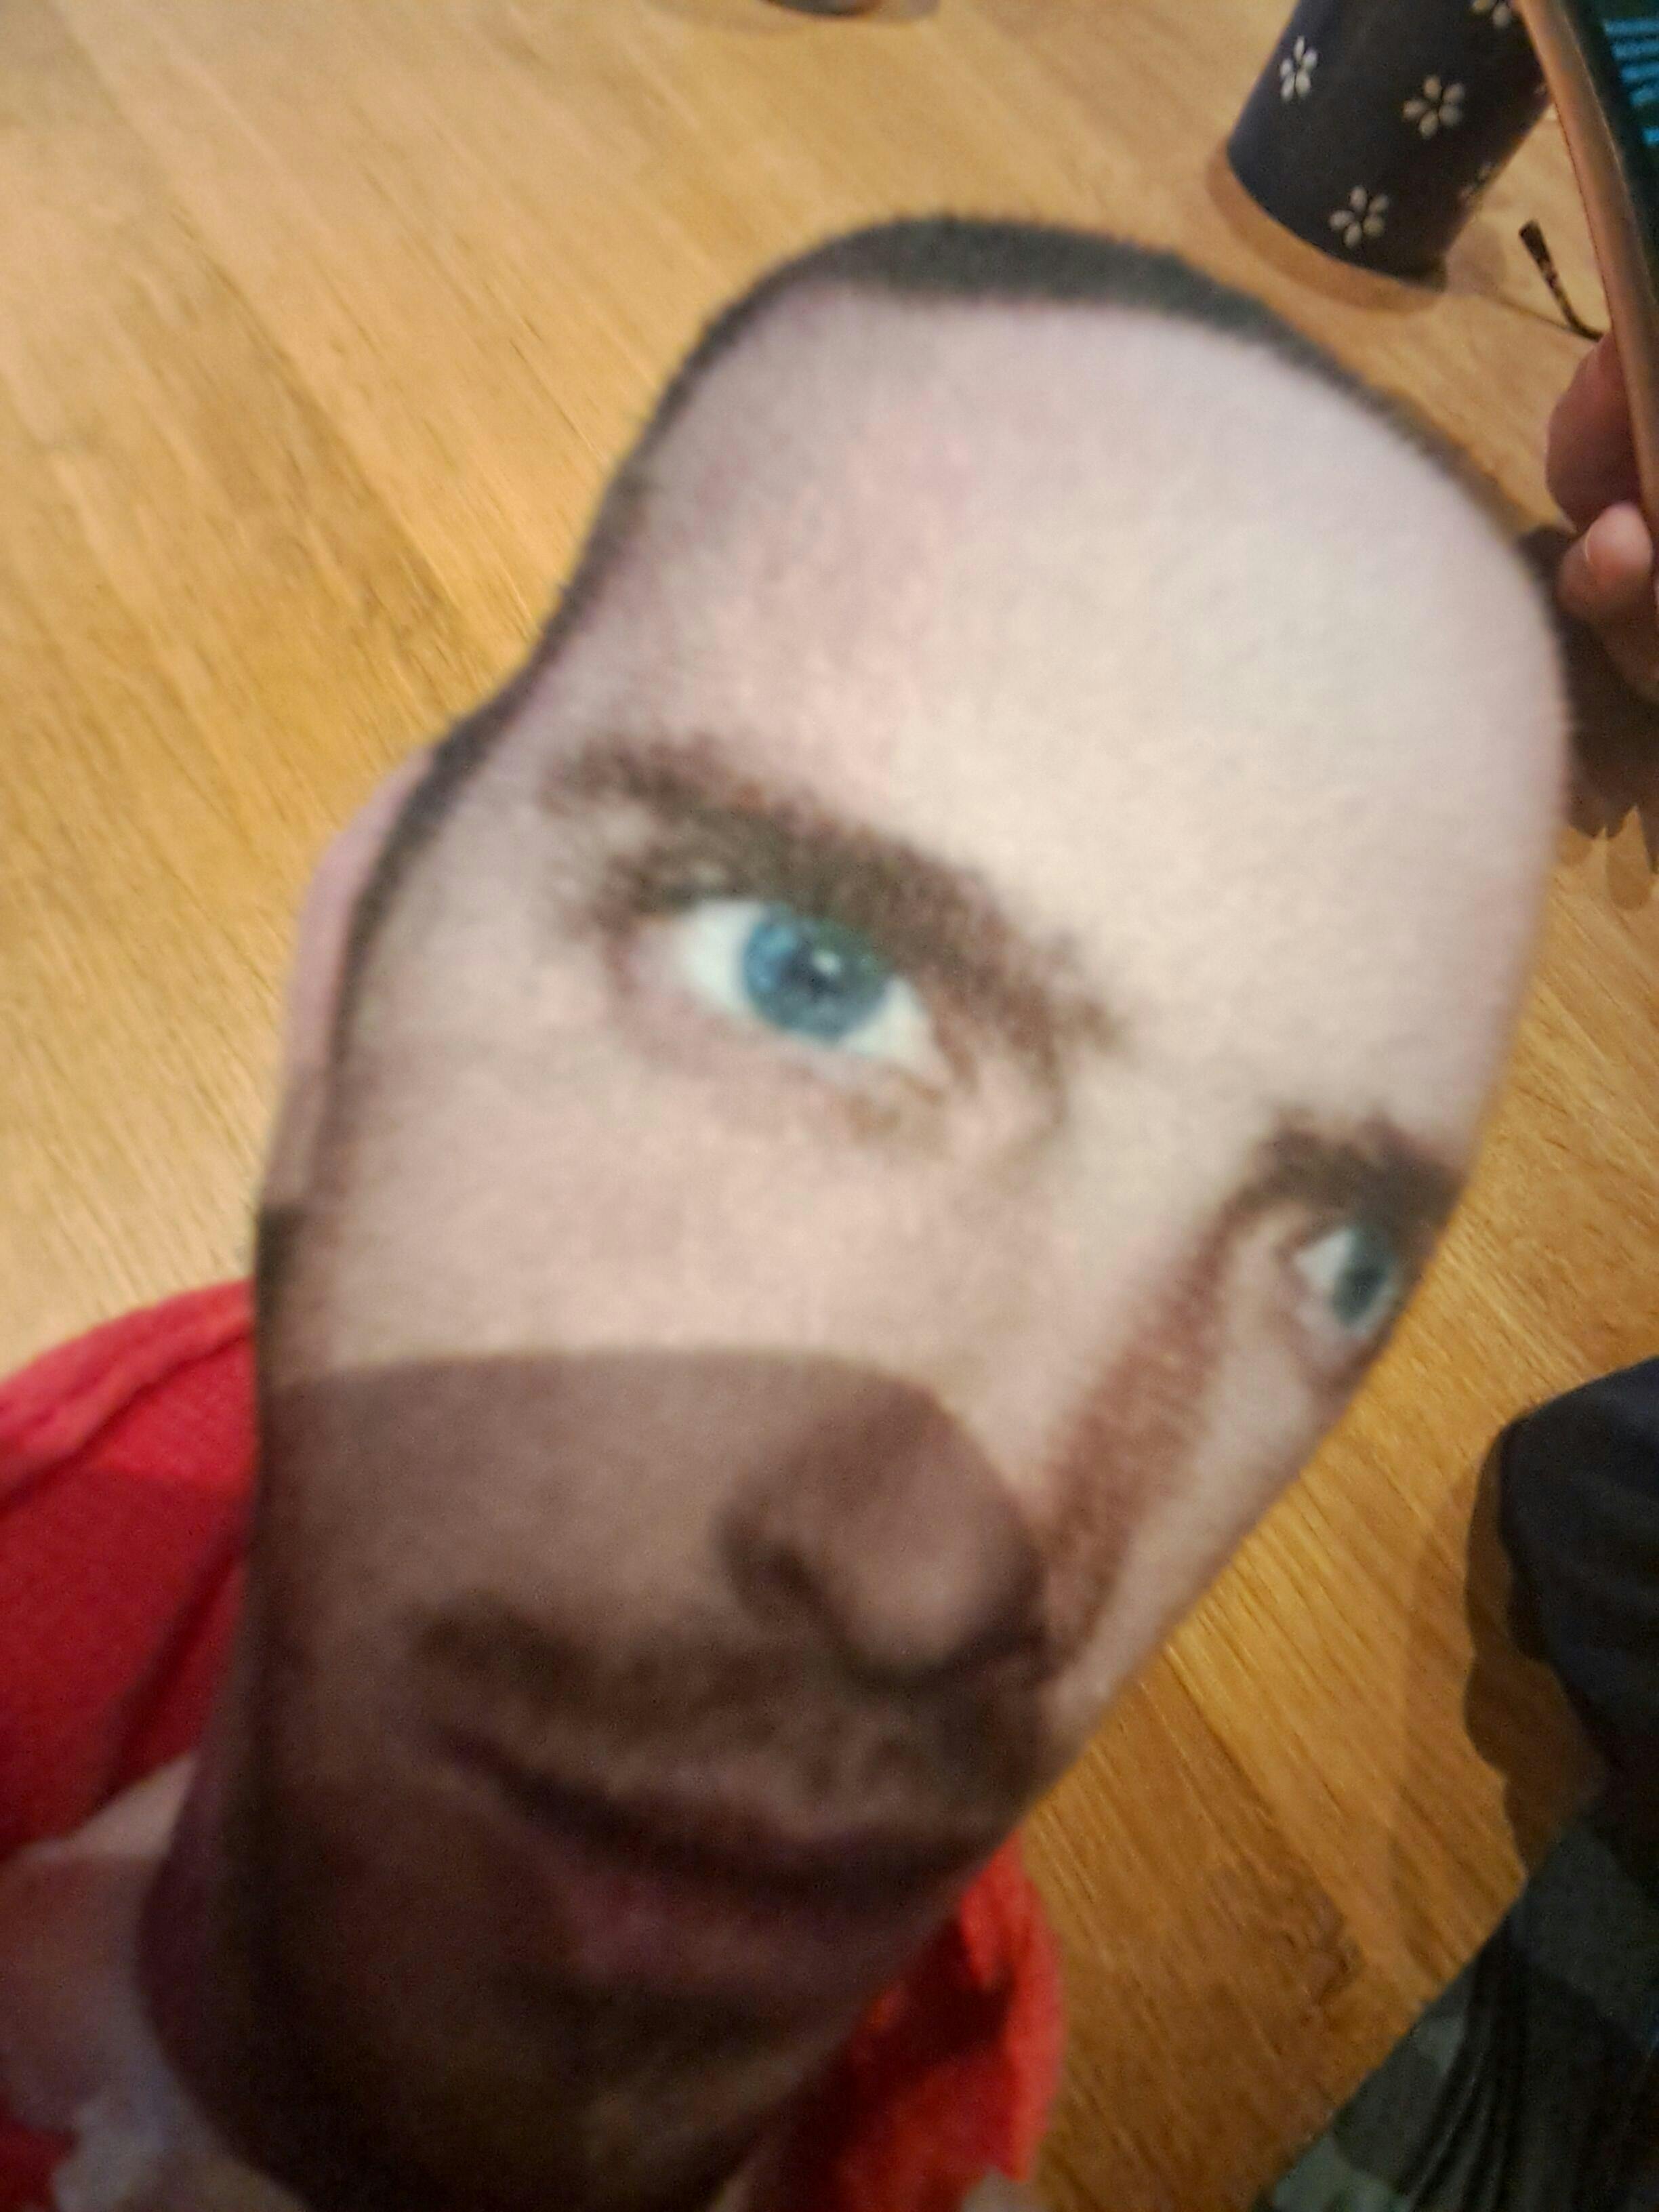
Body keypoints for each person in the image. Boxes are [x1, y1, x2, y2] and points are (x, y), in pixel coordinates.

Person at [0, 215, 1587, 2212]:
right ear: (348, 968)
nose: (945, 1594)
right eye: (813, 979)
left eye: (1329, 1263)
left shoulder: (950, 2040)